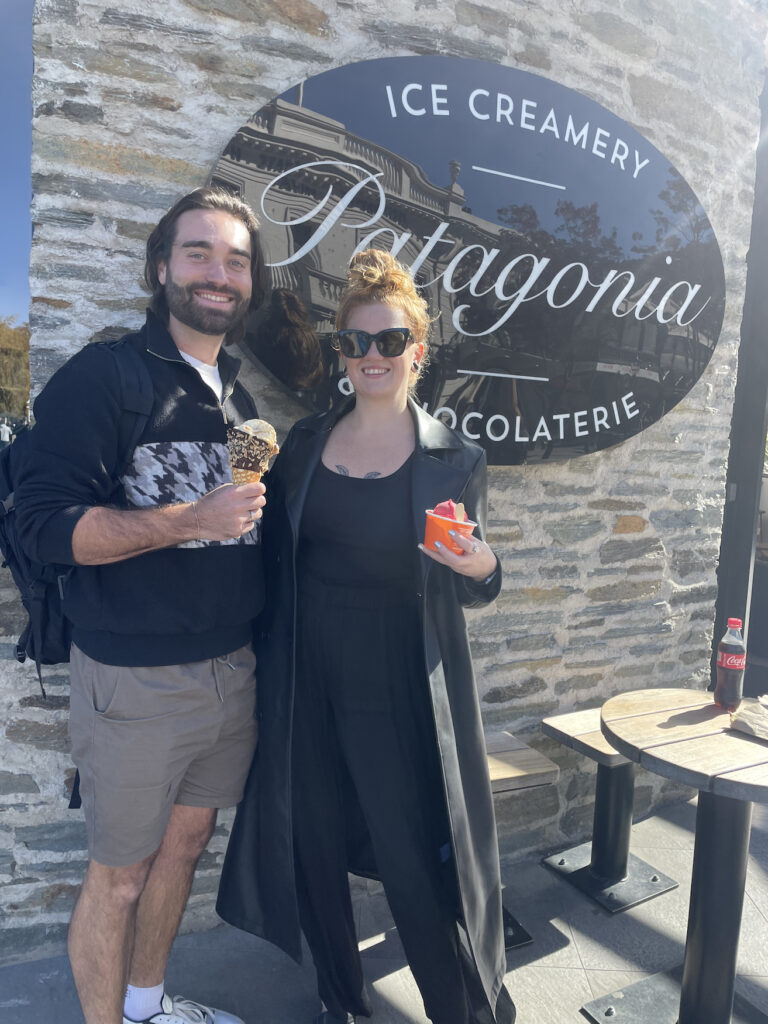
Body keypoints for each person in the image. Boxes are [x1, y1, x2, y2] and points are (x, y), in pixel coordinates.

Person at [218, 250, 516, 1024]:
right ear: (340, 353)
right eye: (355, 343)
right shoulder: (304, 445)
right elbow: (269, 548)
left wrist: (483, 563)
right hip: (304, 668)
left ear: (418, 352)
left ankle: (456, 1009)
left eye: (389, 342)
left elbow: (474, 578)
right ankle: (339, 1001)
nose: (371, 357)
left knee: (412, 854)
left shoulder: (456, 457)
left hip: (395, 674)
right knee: (312, 839)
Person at [16, 187, 269, 1024]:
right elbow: (49, 528)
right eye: (198, 252)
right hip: (133, 683)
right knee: (119, 876)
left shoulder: (239, 391)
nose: (218, 273)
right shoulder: (106, 376)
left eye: (235, 259)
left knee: (187, 846)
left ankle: (152, 1008)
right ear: (161, 268)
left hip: (232, 673)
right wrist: (191, 519)